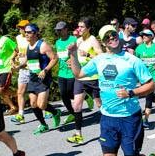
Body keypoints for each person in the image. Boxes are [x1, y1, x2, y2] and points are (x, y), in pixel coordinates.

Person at [68, 25, 155, 156]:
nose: (112, 38)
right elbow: (79, 74)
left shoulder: (132, 60)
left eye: (114, 34)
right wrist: (74, 55)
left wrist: (132, 92)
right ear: (103, 42)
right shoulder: (99, 60)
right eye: (107, 37)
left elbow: (151, 84)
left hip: (130, 118)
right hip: (108, 118)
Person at [67, 17, 103, 145]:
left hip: (93, 78)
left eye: (82, 27)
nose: (79, 29)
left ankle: (113, 127)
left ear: (88, 28)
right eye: (79, 26)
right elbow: (76, 55)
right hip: (81, 78)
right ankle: (78, 135)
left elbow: (101, 56)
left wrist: (87, 55)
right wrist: (71, 61)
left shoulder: (92, 40)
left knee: (100, 105)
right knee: (76, 106)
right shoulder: (78, 41)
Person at [20, 24, 61, 135]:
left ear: (35, 33)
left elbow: (54, 58)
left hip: (43, 78)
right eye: (25, 32)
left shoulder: (43, 46)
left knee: (41, 105)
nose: (26, 34)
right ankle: (43, 125)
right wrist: (19, 66)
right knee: (33, 104)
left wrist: (45, 70)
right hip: (33, 78)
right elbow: (28, 60)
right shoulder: (28, 46)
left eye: (29, 32)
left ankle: (56, 112)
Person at [134, 29, 155, 129]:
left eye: (145, 35)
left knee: (148, 96)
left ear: (151, 36)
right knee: (148, 94)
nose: (143, 36)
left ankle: (145, 119)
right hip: (143, 77)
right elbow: (136, 61)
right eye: (142, 35)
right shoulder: (139, 48)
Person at [53, 21, 77, 126]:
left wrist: (73, 60)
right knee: (63, 95)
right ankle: (73, 113)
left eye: (60, 29)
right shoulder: (57, 42)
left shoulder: (74, 39)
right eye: (57, 30)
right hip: (61, 72)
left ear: (66, 29)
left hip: (72, 72)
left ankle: (85, 97)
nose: (58, 32)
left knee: (70, 93)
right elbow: (58, 56)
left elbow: (80, 53)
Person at [12, 20, 31, 124]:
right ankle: (21, 114)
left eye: (23, 27)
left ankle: (46, 109)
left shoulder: (32, 37)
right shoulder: (18, 38)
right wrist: (12, 58)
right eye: (20, 27)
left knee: (36, 93)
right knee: (20, 92)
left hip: (33, 69)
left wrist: (20, 65)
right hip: (22, 69)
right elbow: (18, 49)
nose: (21, 29)